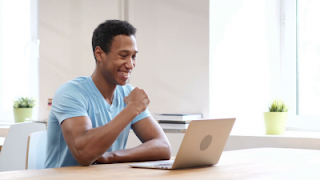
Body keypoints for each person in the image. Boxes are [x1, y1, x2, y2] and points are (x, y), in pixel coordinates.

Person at [45, 20, 171, 168]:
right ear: (99, 54)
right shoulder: (70, 93)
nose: (130, 65)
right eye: (123, 56)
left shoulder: (127, 94)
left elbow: (163, 147)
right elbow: (84, 153)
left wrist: (111, 157)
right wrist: (131, 109)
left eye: (133, 56)